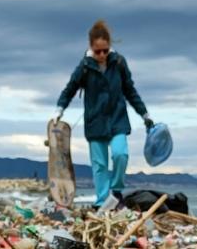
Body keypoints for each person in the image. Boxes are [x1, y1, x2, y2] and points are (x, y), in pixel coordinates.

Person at [54, 20, 153, 209]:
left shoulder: (119, 63)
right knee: (99, 165)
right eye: (98, 51)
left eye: (105, 51)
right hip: (95, 122)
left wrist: (145, 114)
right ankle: (101, 202)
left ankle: (116, 190)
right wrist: (59, 109)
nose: (102, 55)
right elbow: (70, 89)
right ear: (91, 47)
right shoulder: (84, 67)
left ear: (110, 47)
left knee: (120, 155)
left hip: (118, 120)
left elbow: (130, 91)